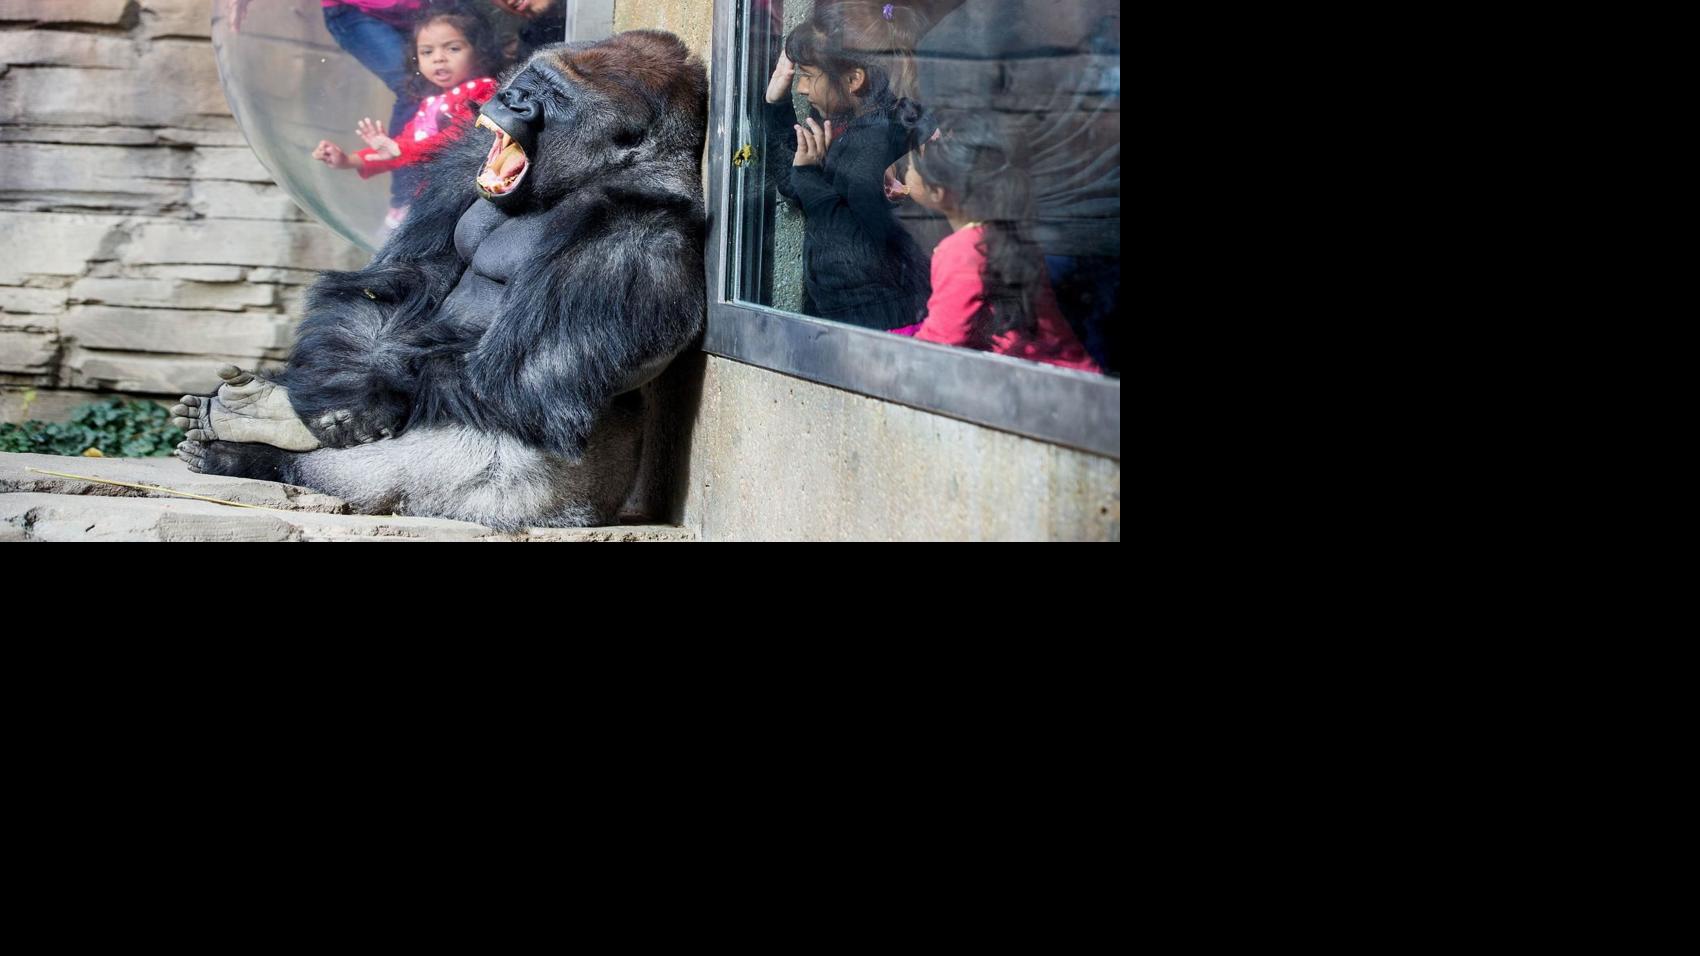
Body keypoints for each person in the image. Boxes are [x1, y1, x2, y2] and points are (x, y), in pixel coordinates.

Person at [762, 1, 932, 331]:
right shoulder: (858, 126)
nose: (800, 87)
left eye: (808, 76)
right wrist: (776, 104)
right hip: (862, 313)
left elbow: (857, 245)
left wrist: (812, 178)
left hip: (873, 320)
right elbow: (794, 184)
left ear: (854, 79)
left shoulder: (871, 144)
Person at [893, 112, 1101, 373]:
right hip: (1073, 376)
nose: (906, 171)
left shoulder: (963, 251)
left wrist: (888, 357)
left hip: (1047, 390)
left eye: (911, 167)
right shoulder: (1002, 231)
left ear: (938, 191)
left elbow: (941, 342)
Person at [227, 0, 428, 218]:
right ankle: (404, 203)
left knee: (451, 85)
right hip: (357, 10)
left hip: (425, 9)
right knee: (413, 86)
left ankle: (435, 195)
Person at [310, 6, 500, 223]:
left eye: (453, 48)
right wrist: (349, 160)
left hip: (459, 202)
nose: (439, 58)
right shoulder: (429, 104)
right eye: (427, 52)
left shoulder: (483, 90)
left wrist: (399, 150)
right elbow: (397, 150)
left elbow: (459, 140)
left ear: (478, 51)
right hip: (426, 202)